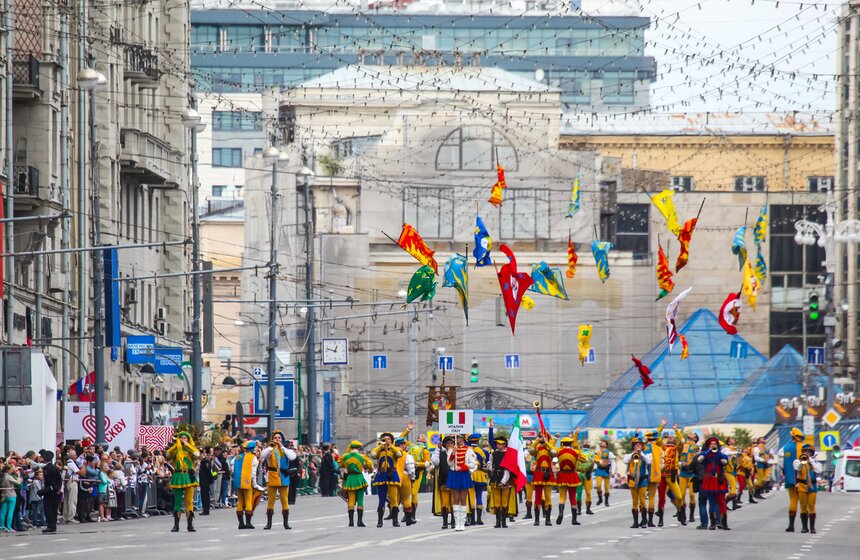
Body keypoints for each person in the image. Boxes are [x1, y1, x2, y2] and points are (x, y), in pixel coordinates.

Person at [165, 431, 201, 532]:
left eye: (185, 438)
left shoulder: (191, 449)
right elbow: (167, 455)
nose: (183, 439)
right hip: (178, 475)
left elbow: (197, 454)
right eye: (182, 438)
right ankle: (176, 525)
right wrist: (176, 444)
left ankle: (190, 525)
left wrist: (187, 445)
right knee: (177, 501)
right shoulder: (175, 449)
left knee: (189, 501)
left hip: (188, 475)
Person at [260, 430, 297, 530]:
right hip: (272, 476)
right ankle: (269, 523)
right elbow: (262, 456)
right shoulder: (270, 449)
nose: (277, 439)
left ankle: (286, 522)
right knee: (271, 500)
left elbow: (292, 457)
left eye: (279, 438)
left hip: (283, 477)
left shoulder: (285, 449)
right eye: (275, 438)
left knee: (284, 500)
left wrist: (282, 446)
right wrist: (270, 447)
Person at [696, 436, 729, 530]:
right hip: (710, 480)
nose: (713, 445)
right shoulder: (705, 454)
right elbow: (699, 459)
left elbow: (724, 462)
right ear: (708, 445)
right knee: (712, 502)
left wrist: (717, 453)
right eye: (711, 444)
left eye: (715, 444)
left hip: (719, 480)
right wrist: (708, 452)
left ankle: (724, 522)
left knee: (722, 502)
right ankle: (713, 523)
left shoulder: (720, 454)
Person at [370, 432, 402, 528]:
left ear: (392, 440)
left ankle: (395, 520)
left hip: (392, 475)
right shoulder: (379, 450)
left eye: (388, 439)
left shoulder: (395, 449)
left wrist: (390, 446)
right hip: (381, 475)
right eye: (384, 439)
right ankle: (380, 521)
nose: (386, 440)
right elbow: (373, 455)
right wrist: (381, 446)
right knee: (381, 499)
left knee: (393, 499)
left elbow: (399, 454)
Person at [446, 433, 477, 531]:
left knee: (463, 498)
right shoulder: (452, 449)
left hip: (463, 474)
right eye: (456, 437)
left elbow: (473, 463)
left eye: (458, 437)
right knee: (455, 498)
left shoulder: (469, 450)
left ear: (462, 439)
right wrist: (453, 453)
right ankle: (457, 522)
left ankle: (462, 522)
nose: (456, 439)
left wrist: (462, 467)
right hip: (454, 474)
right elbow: (449, 463)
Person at [657, 426, 686, 526]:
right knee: (661, 498)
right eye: (669, 437)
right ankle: (660, 519)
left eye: (673, 438)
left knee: (678, 496)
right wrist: (662, 426)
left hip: (672, 475)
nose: (670, 438)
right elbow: (657, 436)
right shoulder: (663, 446)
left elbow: (682, 441)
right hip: (662, 475)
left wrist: (676, 430)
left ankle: (681, 513)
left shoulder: (677, 448)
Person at [232, 440, 264, 529]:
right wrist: (255, 484)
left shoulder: (238, 457)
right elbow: (253, 473)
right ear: (252, 448)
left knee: (240, 501)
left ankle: (241, 523)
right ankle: (248, 523)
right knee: (248, 501)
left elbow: (233, 468)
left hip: (238, 482)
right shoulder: (253, 458)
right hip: (247, 482)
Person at [340, 441, 372, 527]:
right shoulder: (362, 456)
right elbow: (369, 464)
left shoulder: (345, 456)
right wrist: (364, 466)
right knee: (360, 500)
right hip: (359, 478)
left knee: (351, 500)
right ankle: (359, 521)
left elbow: (339, 463)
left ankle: (351, 522)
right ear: (358, 448)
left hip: (350, 479)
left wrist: (346, 465)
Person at [779, 428, 805, 532]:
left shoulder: (785, 448)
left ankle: (791, 525)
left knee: (793, 500)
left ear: (793, 437)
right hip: (804, 479)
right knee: (804, 502)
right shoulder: (806, 447)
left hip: (791, 478)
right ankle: (805, 526)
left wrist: (785, 471)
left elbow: (781, 463)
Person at [528, 431, 557, 526]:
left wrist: (547, 442)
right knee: (537, 497)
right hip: (538, 472)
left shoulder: (550, 450)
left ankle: (547, 519)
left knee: (548, 497)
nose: (543, 439)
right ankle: (536, 519)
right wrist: (537, 440)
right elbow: (531, 451)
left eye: (544, 437)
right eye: (541, 437)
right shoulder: (537, 448)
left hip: (548, 472)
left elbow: (554, 452)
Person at [622, 436, 652, 529]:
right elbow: (625, 461)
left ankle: (644, 520)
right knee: (634, 501)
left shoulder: (646, 455)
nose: (638, 446)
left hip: (642, 480)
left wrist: (641, 454)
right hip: (632, 480)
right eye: (636, 445)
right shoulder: (629, 455)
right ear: (633, 446)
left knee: (642, 501)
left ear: (642, 446)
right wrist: (633, 454)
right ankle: (635, 522)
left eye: (639, 445)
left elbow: (649, 461)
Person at [554, 433, 584, 526]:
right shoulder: (576, 452)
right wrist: (577, 448)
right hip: (572, 475)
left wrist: (555, 439)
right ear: (571, 444)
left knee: (562, 497)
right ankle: (574, 520)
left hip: (562, 474)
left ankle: (561, 513)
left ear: (562, 444)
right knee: (572, 498)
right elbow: (584, 459)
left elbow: (551, 447)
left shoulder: (558, 451)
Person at [793, 443, 821, 534]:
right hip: (802, 485)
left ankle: (812, 527)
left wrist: (811, 461)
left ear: (812, 453)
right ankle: (804, 527)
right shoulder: (797, 461)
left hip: (812, 486)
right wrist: (803, 462)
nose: (807, 453)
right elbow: (797, 468)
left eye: (809, 452)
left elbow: (819, 470)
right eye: (805, 451)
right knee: (803, 506)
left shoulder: (815, 462)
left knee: (812, 506)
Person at [643, 421, 667, 527]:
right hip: (655, 474)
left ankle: (643, 520)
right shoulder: (659, 449)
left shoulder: (642, 447)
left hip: (644, 474)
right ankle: (650, 521)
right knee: (652, 497)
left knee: (641, 497)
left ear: (647, 438)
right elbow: (662, 464)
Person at [487, 435, 513, 529]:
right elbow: (489, 462)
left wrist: (503, 481)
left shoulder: (508, 454)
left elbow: (507, 470)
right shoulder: (494, 453)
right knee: (497, 501)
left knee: (504, 501)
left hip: (505, 478)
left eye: (500, 444)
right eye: (497, 444)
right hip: (495, 478)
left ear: (505, 445)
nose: (498, 445)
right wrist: (491, 468)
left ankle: (504, 521)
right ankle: (498, 521)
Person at [430, 435, 455, 529]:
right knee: (445, 502)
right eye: (447, 443)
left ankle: (453, 521)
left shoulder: (456, 453)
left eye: (451, 443)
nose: (449, 445)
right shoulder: (441, 453)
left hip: (453, 481)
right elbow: (435, 462)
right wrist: (437, 449)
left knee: (453, 502)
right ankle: (445, 522)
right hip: (444, 480)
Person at [466, 433, 489, 526]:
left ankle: (472, 519)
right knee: (479, 496)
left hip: (470, 474)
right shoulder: (482, 451)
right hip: (480, 474)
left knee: (470, 496)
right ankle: (479, 519)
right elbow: (485, 464)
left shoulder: (467, 450)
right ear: (477, 441)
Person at [677, 430, 700, 524]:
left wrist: (693, 465)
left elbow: (698, 459)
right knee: (681, 494)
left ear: (695, 438)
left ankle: (691, 514)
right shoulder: (684, 445)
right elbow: (681, 440)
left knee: (691, 494)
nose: (690, 434)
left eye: (693, 434)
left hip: (692, 473)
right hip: (683, 473)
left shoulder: (697, 447)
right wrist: (681, 463)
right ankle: (683, 514)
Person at [394, 437, 416, 526]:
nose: (405, 446)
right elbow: (411, 469)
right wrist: (412, 478)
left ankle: (394, 520)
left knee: (395, 499)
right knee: (406, 498)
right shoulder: (406, 455)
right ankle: (408, 519)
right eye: (404, 444)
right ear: (401, 445)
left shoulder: (391, 454)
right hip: (404, 476)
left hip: (394, 477)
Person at [41, 451, 62, 533]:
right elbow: (59, 479)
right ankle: (53, 526)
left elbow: (50, 480)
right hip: (56, 491)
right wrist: (58, 488)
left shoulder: (46, 468)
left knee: (48, 508)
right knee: (54, 509)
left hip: (50, 491)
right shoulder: (55, 467)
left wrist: (55, 488)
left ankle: (50, 526)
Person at [575, 439, 595, 516]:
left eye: (587, 442)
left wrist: (590, 472)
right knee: (580, 492)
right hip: (580, 473)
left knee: (588, 492)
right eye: (585, 442)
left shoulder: (591, 453)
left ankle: (587, 509)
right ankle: (579, 509)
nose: (586, 442)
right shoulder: (579, 452)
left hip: (586, 474)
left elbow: (592, 463)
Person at [593, 437, 614, 507]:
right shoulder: (597, 452)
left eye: (603, 443)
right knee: (598, 485)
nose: (602, 443)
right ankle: (600, 498)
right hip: (599, 470)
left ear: (606, 445)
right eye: (601, 443)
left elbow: (612, 462)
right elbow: (595, 460)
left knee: (606, 487)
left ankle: (606, 501)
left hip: (606, 470)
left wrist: (612, 471)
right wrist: (599, 462)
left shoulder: (609, 453)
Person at [1, 463, 22, 532]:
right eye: (10, 470)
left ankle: (2, 526)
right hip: (11, 495)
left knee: (3, 512)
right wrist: (18, 476)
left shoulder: (2, 476)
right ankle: (9, 527)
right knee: (10, 512)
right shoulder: (9, 477)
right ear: (8, 470)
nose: (11, 471)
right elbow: (18, 483)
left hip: (4, 495)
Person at [62, 449, 79, 524]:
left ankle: (66, 516)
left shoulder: (66, 463)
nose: (76, 456)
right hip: (72, 482)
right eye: (75, 455)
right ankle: (70, 517)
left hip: (67, 482)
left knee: (66, 500)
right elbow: (78, 472)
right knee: (72, 500)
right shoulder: (71, 463)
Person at [198, 447, 215, 516]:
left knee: (205, 495)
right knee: (203, 495)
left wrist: (210, 480)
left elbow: (208, 471)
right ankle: (205, 508)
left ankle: (206, 509)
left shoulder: (205, 461)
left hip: (205, 481)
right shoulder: (203, 461)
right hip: (203, 481)